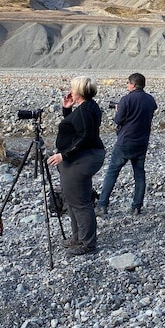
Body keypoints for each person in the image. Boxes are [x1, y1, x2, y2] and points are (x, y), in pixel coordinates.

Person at [46, 76, 106, 256]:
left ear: (79, 91)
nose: (70, 91)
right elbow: (75, 129)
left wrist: (64, 155)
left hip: (83, 158)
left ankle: (87, 244)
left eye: (72, 88)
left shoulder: (86, 111)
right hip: (84, 156)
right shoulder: (88, 107)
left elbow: (85, 136)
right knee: (73, 198)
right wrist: (67, 110)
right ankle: (78, 238)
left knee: (80, 202)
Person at [96, 73, 158, 215]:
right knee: (139, 174)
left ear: (134, 84)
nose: (127, 85)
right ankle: (136, 206)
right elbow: (151, 110)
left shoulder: (126, 99)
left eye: (128, 83)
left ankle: (102, 205)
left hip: (125, 142)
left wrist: (118, 110)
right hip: (142, 142)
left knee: (112, 172)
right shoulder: (150, 100)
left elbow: (118, 121)